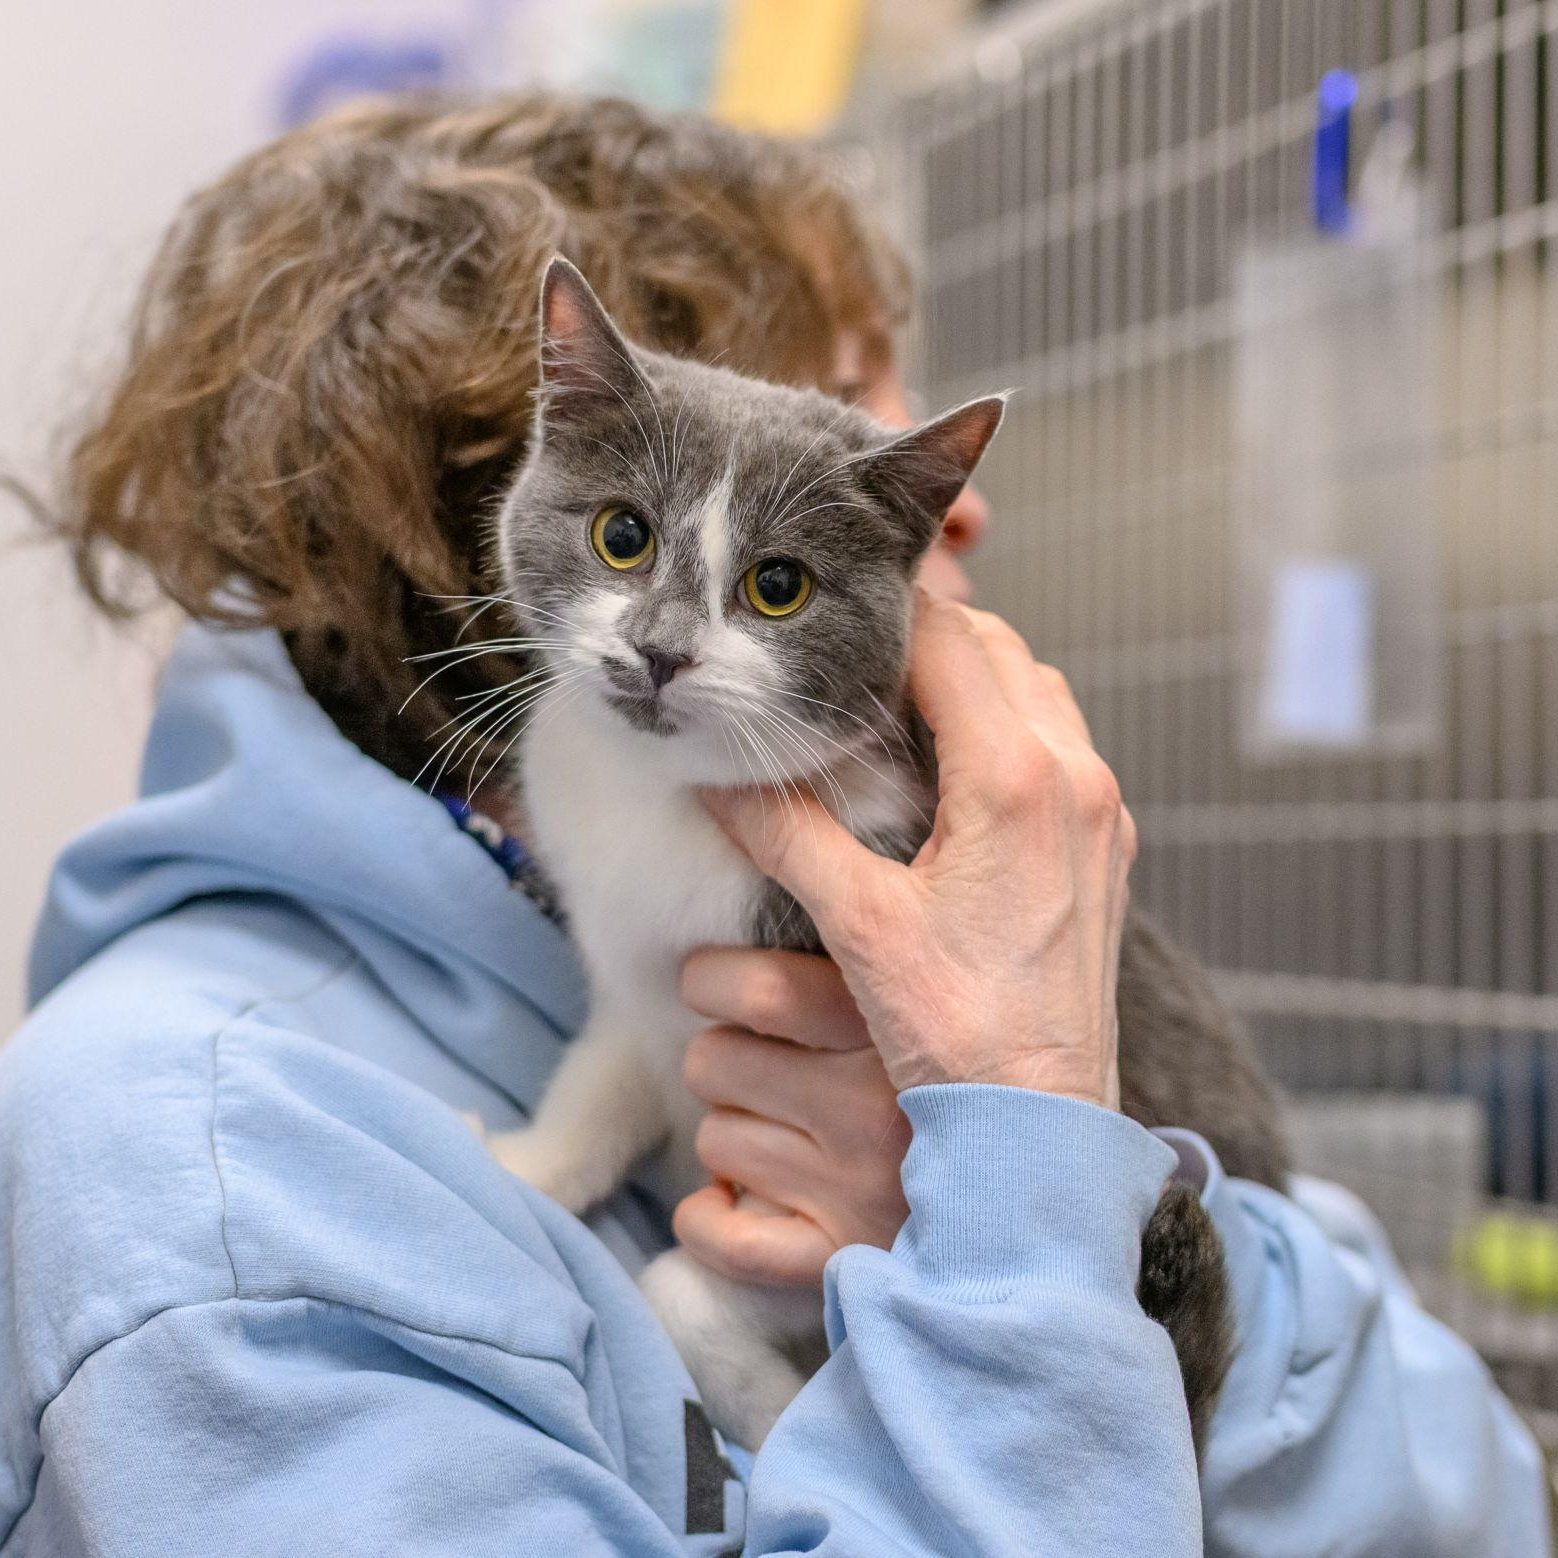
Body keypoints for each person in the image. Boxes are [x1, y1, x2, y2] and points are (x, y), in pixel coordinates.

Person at [1, 96, 1546, 1555]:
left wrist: (1092, 1221)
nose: (968, 519)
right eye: (850, 389)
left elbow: (1486, 1492)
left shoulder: (904, 898)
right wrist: (1014, 1238)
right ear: (521, 458)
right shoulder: (210, 1189)